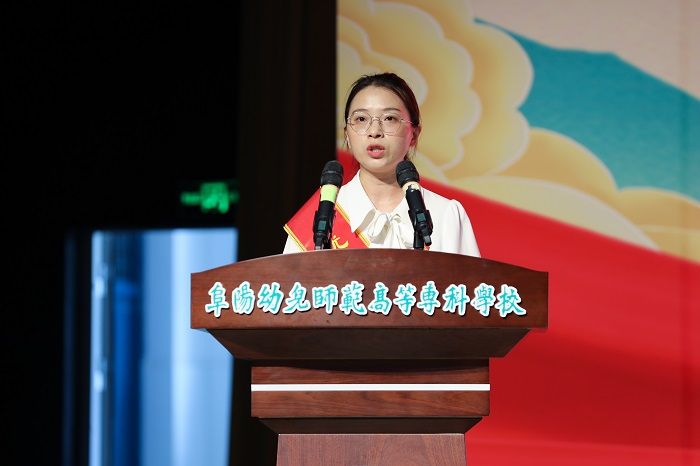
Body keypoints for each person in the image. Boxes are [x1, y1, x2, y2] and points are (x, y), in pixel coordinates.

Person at [283, 72, 480, 257]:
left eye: (389, 118)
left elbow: (473, 283)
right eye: (361, 119)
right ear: (347, 135)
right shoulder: (321, 215)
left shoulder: (445, 215)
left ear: (414, 134)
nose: (375, 131)